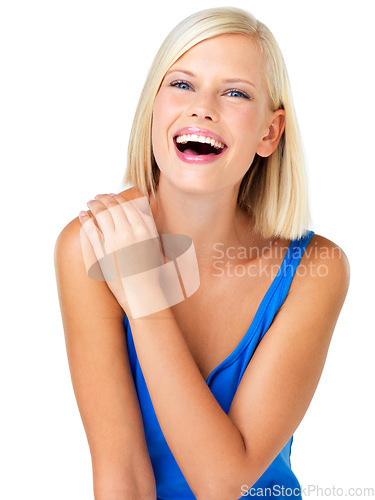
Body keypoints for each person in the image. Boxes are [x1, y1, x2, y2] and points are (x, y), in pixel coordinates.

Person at [54, 7, 350, 500]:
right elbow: (122, 475)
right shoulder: (89, 244)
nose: (202, 107)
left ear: (269, 133)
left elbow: (223, 485)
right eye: (182, 85)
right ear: (154, 106)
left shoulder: (316, 270)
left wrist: (146, 297)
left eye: (235, 93)